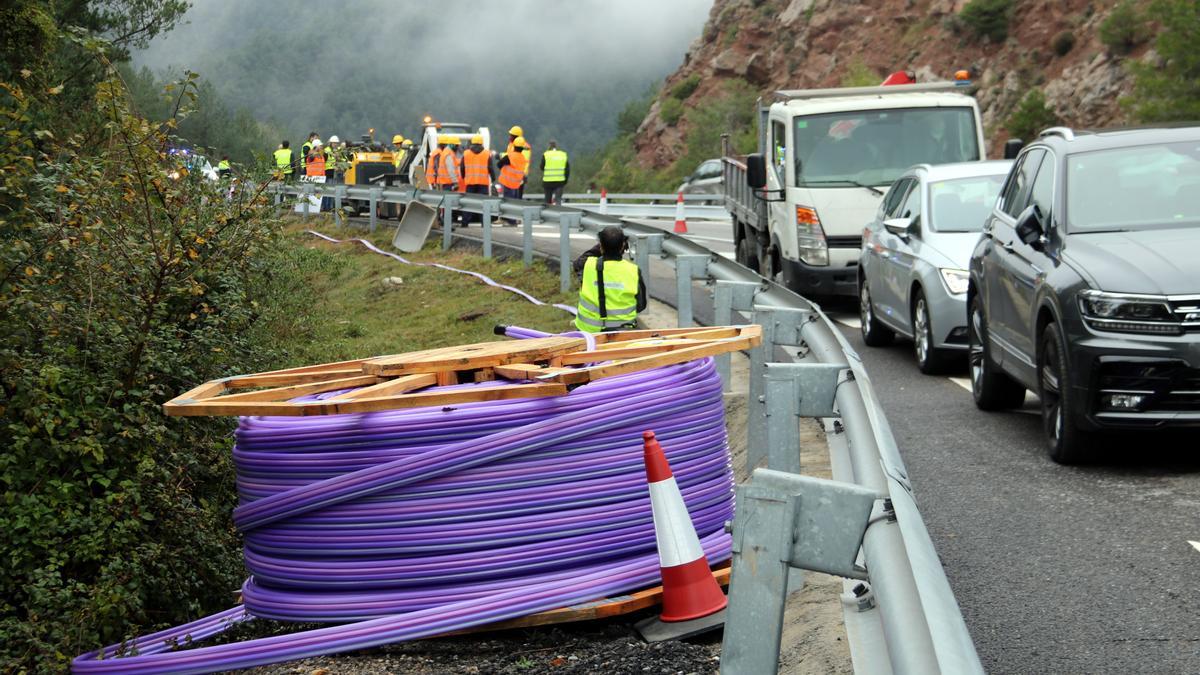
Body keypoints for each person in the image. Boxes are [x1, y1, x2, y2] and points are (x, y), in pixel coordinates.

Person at [572, 226, 647, 333]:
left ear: (601, 245)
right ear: (622, 246)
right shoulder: (633, 271)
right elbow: (641, 305)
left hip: (588, 333)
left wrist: (604, 244)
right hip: (622, 333)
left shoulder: (587, 265)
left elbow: (579, 261)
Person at [461, 134, 495, 223]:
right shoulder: (487, 153)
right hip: (483, 183)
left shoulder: (466, 153)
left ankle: (465, 222)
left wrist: (464, 176)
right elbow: (490, 168)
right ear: (481, 143)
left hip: (470, 182)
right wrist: (493, 178)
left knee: (468, 203)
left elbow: (462, 168)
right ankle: (484, 223)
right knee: (483, 203)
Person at [540, 140, 569, 205]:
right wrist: (565, 181)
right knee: (558, 200)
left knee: (547, 201)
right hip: (559, 182)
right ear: (556, 146)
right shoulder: (562, 155)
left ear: (549, 146)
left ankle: (547, 214)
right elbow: (567, 170)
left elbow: (541, 167)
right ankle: (558, 213)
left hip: (547, 182)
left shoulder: (546, 154)